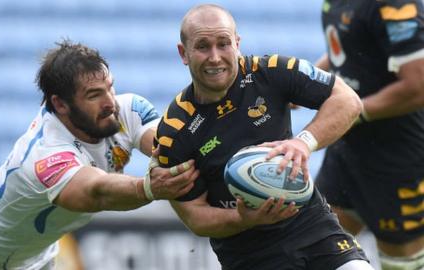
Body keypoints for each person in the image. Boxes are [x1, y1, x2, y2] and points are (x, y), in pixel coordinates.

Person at [154, 4, 375, 270]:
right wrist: (243, 218)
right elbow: (194, 216)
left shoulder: (270, 71)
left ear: (237, 44)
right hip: (247, 252)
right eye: (203, 46)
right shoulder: (174, 130)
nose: (215, 57)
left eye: (223, 44)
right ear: (184, 53)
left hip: (309, 223)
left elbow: (348, 101)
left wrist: (303, 143)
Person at [0, 40, 198, 269]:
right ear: (60, 104)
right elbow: (96, 192)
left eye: (109, 87)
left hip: (33, 259)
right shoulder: (44, 154)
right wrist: (150, 188)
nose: (110, 102)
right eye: (94, 95)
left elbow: (168, 149)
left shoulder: (128, 109)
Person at [314, 0, 424, 269]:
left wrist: (351, 112)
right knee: (319, 250)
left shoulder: (395, 4)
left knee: (402, 265)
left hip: (396, 158)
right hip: (346, 150)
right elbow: (348, 47)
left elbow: (418, 87)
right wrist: (310, 79)